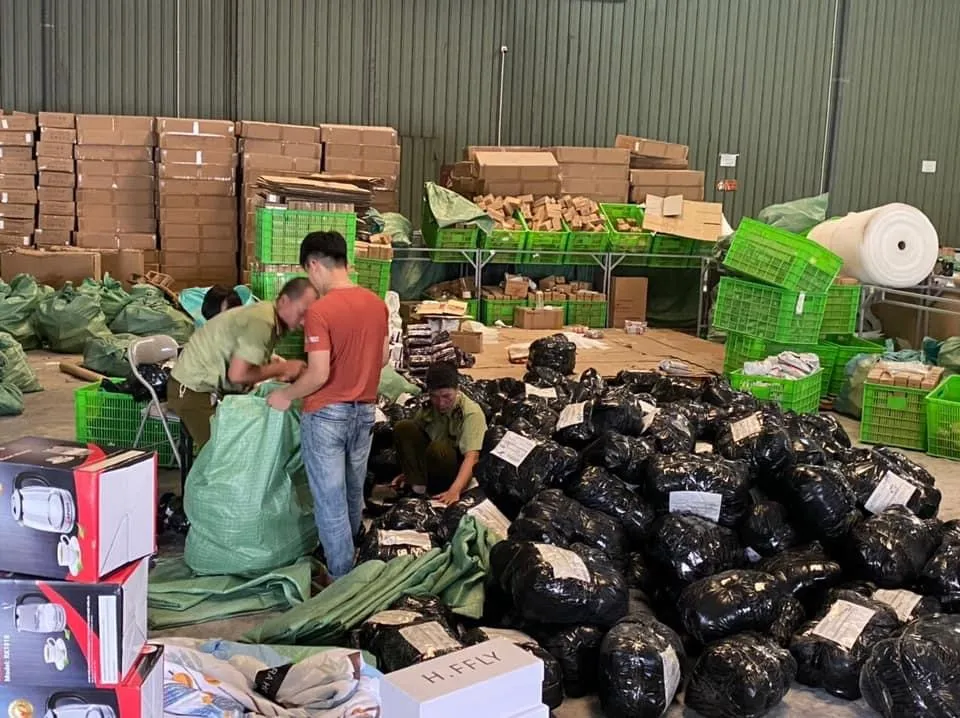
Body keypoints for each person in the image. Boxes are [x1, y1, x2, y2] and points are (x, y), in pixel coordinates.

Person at [266, 231, 388, 581]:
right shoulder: (376, 304)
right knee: (352, 491)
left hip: (327, 416)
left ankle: (340, 576)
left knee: (329, 499)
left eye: (309, 271)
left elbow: (318, 375)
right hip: (364, 412)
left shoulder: (320, 311)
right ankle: (350, 557)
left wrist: (285, 395)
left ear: (315, 264)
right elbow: (381, 359)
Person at [167, 277, 316, 447]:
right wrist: (283, 368)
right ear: (284, 301)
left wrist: (280, 369)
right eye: (302, 313)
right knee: (223, 452)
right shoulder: (262, 321)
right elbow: (238, 375)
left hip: (211, 388)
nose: (304, 322)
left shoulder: (269, 317)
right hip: (192, 390)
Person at [392, 362, 487, 506]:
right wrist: (409, 472)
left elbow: (472, 458)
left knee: (438, 449)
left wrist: (454, 491)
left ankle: (436, 492)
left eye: (446, 396)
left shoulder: (471, 413)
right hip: (432, 462)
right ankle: (417, 488)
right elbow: (414, 439)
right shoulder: (429, 407)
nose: (441, 403)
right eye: (434, 397)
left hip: (456, 469)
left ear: (457, 389)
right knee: (404, 427)